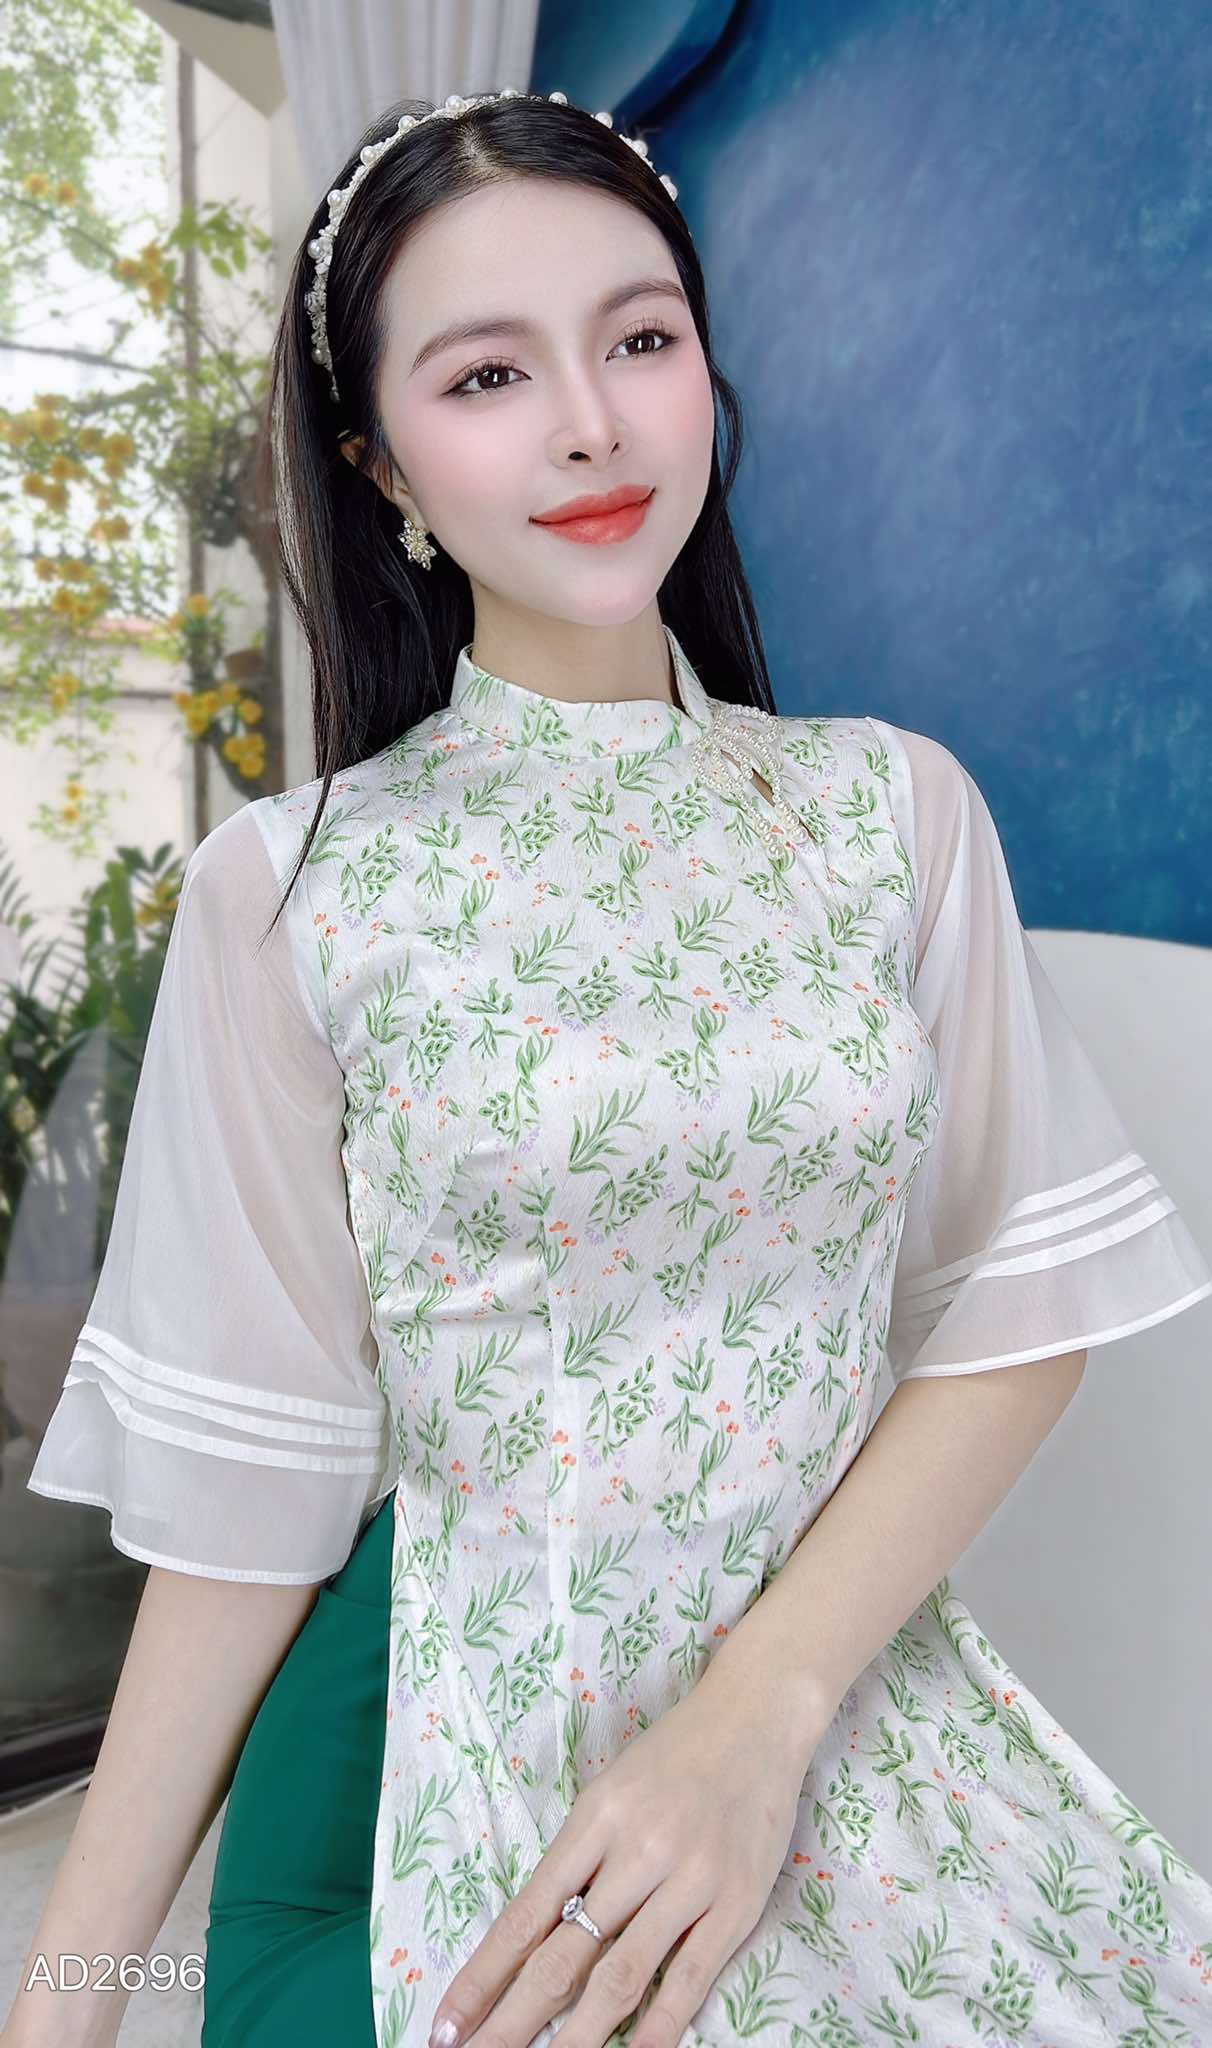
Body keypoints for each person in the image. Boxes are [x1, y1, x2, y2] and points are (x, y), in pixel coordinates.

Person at [7, 84, 1212, 2048]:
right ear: (377, 463)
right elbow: (255, 1486)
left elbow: (1022, 1303)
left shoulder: (889, 812)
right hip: (461, 1766)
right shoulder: (294, 891)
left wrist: (759, 1711)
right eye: (488, 375)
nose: (591, 423)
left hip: (840, 1718)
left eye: (639, 340)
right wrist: (60, 2006)